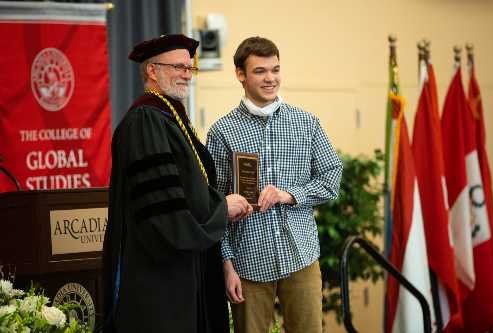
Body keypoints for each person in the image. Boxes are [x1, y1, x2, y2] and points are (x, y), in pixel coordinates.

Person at [102, 34, 252, 333]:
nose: (187, 74)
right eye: (178, 67)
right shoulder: (146, 120)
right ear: (152, 71)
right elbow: (161, 204)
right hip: (159, 275)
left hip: (183, 267)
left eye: (189, 68)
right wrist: (221, 208)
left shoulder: (172, 118)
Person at [206, 36, 343, 333]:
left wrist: (290, 194)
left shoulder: (307, 123)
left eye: (275, 69)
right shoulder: (221, 132)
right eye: (260, 71)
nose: (271, 78)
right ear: (240, 75)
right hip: (248, 262)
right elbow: (213, 205)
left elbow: (332, 177)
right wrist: (226, 265)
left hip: (301, 256)